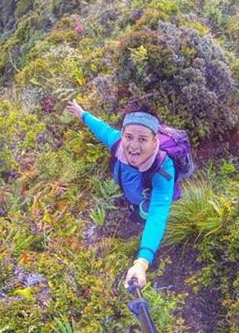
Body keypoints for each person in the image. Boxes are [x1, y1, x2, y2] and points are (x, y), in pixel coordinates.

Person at [66, 99, 175, 290]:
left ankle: (144, 232)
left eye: (142, 139)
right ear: (122, 134)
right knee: (136, 211)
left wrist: (142, 262)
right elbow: (102, 129)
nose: (133, 145)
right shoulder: (117, 143)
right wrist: (82, 114)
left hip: (148, 201)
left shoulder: (163, 170)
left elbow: (158, 215)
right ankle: (135, 211)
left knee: (146, 217)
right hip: (132, 196)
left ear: (155, 141)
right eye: (129, 137)